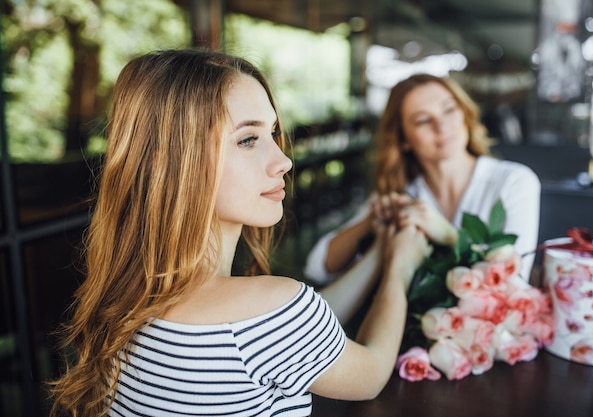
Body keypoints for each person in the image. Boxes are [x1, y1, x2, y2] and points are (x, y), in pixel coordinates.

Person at [47, 49, 433, 417]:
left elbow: (297, 331)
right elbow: (372, 372)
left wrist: (381, 251)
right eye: (248, 139)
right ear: (181, 162)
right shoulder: (274, 311)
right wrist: (399, 269)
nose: (283, 160)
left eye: (273, 133)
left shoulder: (123, 300)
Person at [304, 73, 541, 286]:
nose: (442, 126)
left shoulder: (514, 182)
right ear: (403, 139)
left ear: (464, 113)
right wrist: (369, 221)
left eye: (449, 110)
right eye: (423, 120)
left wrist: (448, 235)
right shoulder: (402, 193)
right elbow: (317, 268)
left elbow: (515, 285)